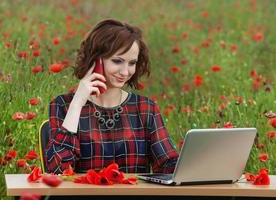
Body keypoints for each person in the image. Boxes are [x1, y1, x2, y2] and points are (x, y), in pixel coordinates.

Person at [46, 19, 179, 174]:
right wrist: (77, 104)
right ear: (95, 59)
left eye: (132, 63)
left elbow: (167, 164)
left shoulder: (145, 108)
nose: (125, 72)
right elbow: (57, 170)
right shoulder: (62, 105)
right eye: (117, 61)